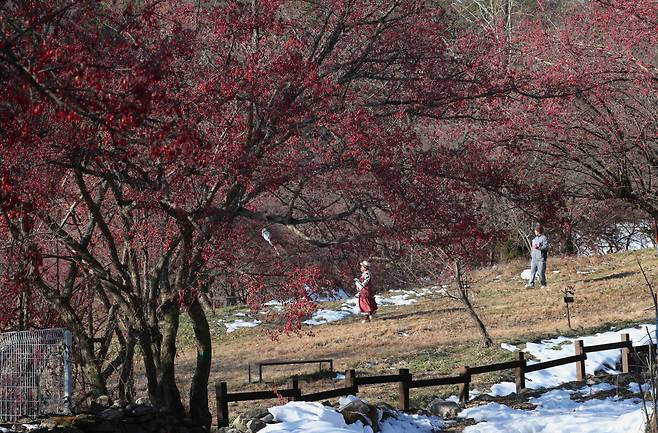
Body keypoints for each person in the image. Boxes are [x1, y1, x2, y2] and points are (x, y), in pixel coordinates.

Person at [526, 224, 549, 289]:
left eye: (535, 230)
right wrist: (532, 253)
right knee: (532, 271)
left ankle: (543, 285)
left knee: (541, 272)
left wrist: (539, 247)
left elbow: (546, 247)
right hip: (534, 259)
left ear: (538, 231)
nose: (534, 232)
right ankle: (530, 284)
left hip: (541, 259)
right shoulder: (534, 239)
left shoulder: (544, 238)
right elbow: (533, 247)